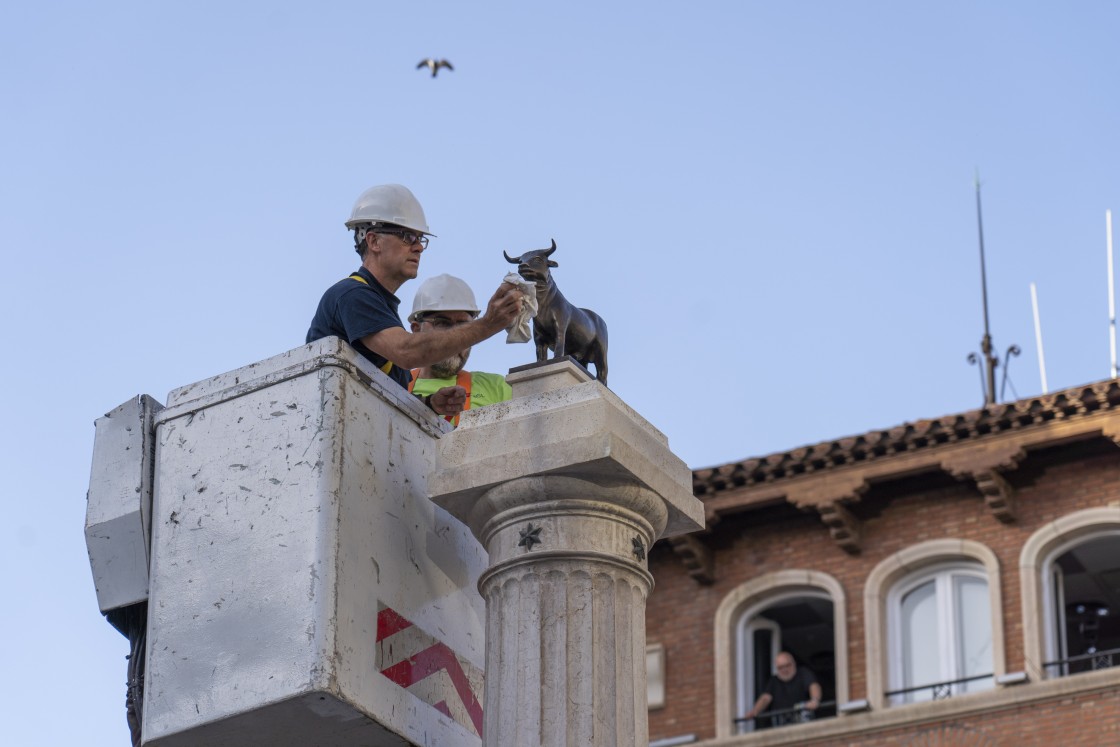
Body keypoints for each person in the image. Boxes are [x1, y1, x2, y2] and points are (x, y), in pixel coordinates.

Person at [306, 184, 522, 419]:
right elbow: (407, 351)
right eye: (408, 237)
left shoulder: (381, 310)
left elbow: (384, 398)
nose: (419, 247)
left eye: (420, 239)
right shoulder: (353, 295)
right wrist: (489, 324)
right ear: (373, 241)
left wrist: (429, 405)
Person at [406, 274, 513, 426]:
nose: (456, 337)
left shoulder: (498, 389)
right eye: (442, 323)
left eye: (464, 326)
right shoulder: (395, 384)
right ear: (416, 330)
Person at [742, 651, 822, 728]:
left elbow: (813, 686)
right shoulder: (774, 681)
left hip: (804, 724)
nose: (785, 670)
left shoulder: (803, 673)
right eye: (780, 667)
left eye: (787, 665)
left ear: (794, 663)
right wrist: (755, 711)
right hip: (782, 727)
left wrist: (814, 700)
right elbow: (765, 698)